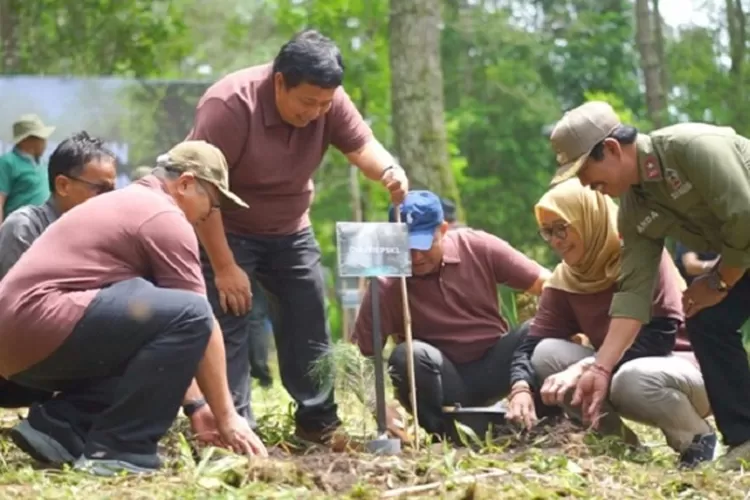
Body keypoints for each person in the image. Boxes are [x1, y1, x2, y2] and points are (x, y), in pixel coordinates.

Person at [186, 29, 408, 448]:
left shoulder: (329, 101)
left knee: (309, 319)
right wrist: (224, 265)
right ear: (279, 83)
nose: (316, 112)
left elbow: (363, 147)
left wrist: (389, 172)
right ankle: (233, 427)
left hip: (291, 228)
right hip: (226, 228)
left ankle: (317, 422)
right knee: (229, 322)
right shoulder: (229, 105)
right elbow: (200, 191)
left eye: (325, 104)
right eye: (308, 102)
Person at [0, 141, 266, 477]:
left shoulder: (125, 203)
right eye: (211, 204)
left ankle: (61, 427)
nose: (207, 216)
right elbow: (199, 320)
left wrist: (197, 405)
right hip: (41, 324)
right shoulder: (163, 215)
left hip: (15, 344)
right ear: (184, 184)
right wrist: (227, 416)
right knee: (193, 312)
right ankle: (118, 450)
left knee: (151, 317)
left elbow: (157, 338)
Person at [547, 100, 750, 469]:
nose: (586, 185)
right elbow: (633, 296)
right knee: (708, 321)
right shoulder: (635, 210)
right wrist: (601, 369)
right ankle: (745, 440)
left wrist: (719, 281)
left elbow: (744, 217)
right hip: (741, 257)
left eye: (584, 170)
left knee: (711, 306)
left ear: (610, 149)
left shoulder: (692, 148)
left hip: (742, 247)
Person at [507, 178, 714, 468]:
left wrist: (586, 366)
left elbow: (659, 338)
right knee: (546, 353)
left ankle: (696, 441)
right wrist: (520, 388)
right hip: (614, 373)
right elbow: (530, 347)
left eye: (562, 228)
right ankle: (618, 445)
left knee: (632, 376)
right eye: (547, 232)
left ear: (588, 219)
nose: (555, 240)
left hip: (683, 370)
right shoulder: (566, 279)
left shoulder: (641, 255)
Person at [352, 190, 550, 440]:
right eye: (406, 247)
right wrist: (380, 408)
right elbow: (358, 358)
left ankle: (538, 420)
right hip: (439, 380)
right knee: (408, 355)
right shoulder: (387, 284)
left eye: (424, 245)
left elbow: (546, 283)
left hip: (496, 365)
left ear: (443, 230)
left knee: (539, 330)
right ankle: (443, 434)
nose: (416, 256)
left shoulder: (477, 246)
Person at [0, 131, 117, 409]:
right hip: (17, 367)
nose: (110, 199)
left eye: (113, 190)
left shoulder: (104, 233)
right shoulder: (24, 227)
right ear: (63, 185)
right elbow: (16, 315)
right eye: (100, 189)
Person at [0, 114, 55, 222]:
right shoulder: (7, 162)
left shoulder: (43, 164)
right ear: (27, 140)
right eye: (42, 138)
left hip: (42, 228)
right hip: (18, 229)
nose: (45, 143)